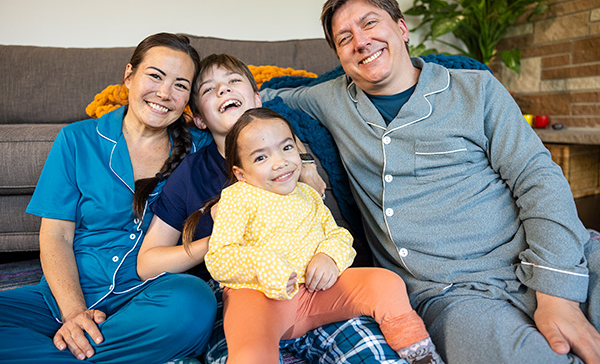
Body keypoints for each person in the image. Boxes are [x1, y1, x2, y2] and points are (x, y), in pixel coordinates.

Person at [259, 0, 600, 364]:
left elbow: (539, 179)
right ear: (339, 56)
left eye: (370, 23)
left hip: (547, 250)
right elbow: (259, 94)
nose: (360, 41)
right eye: (344, 38)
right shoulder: (329, 99)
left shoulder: (477, 89)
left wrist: (557, 293)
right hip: (451, 295)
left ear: (402, 29)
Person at [137, 53, 410, 364]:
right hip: (239, 297)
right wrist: (224, 244)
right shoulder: (191, 173)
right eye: (210, 89)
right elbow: (148, 264)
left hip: (315, 285)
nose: (224, 90)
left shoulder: (296, 160)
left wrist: (306, 165)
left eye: (233, 81)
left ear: (257, 98)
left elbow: (332, 233)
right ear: (199, 119)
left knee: (375, 353)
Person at [0, 33, 217, 363]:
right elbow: (56, 236)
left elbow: (258, 133)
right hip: (64, 295)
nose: (164, 93)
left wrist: (302, 159)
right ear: (129, 75)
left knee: (195, 302)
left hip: (151, 296)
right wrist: (74, 313)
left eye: (180, 85)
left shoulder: (201, 149)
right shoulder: (76, 139)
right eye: (155, 76)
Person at [190, 107, 442, 364]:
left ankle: (420, 354)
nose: (280, 162)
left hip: (315, 294)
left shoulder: (307, 195)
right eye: (261, 158)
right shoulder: (238, 198)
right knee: (251, 353)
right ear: (240, 173)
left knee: (386, 283)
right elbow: (219, 258)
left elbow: (338, 235)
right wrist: (265, 266)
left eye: (286, 148)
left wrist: (329, 256)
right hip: (258, 299)